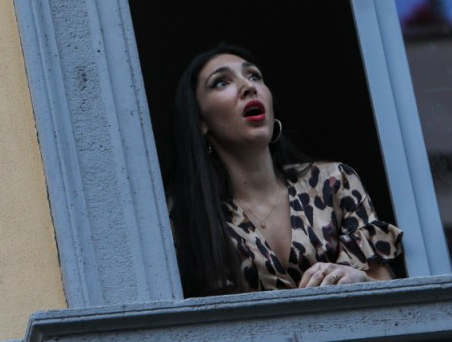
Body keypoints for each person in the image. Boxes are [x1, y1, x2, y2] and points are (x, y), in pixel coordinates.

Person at [170, 44, 403, 297]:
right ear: (201, 122)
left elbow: (390, 298)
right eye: (221, 83)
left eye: (254, 76)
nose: (249, 87)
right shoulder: (186, 213)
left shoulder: (334, 183)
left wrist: (359, 279)